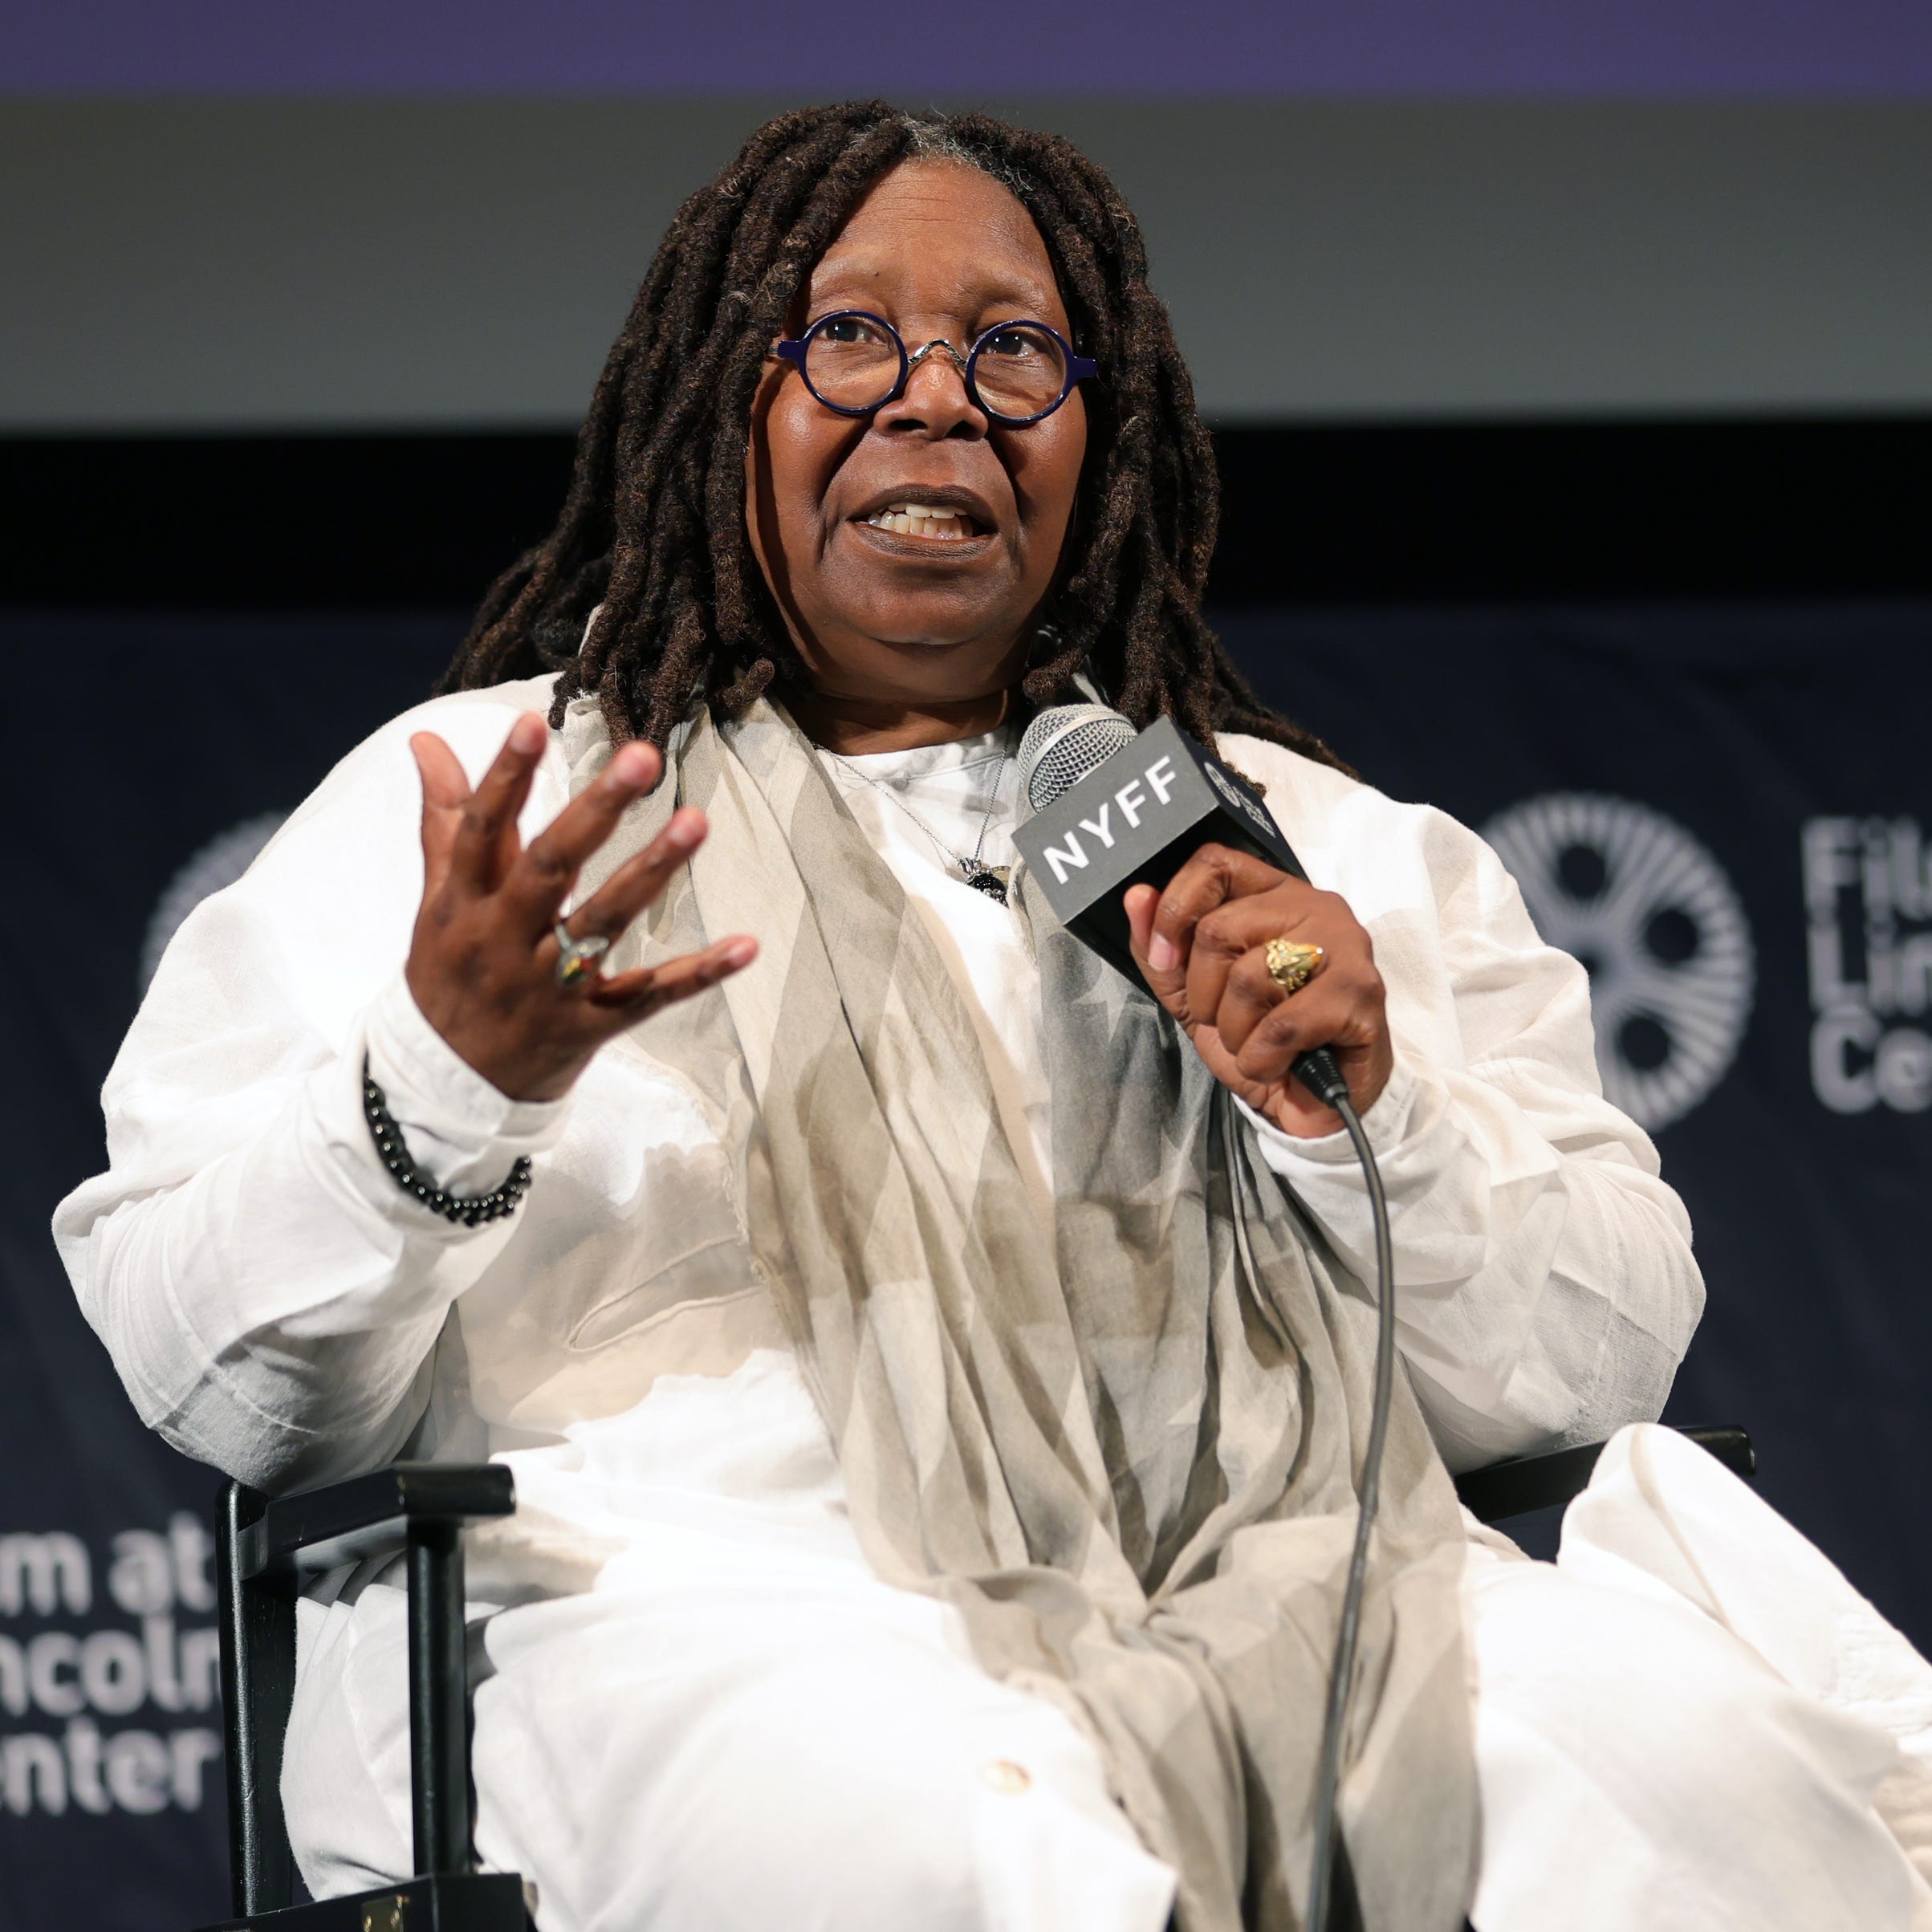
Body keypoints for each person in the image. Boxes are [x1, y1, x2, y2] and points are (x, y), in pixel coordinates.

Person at [55, 104, 1932, 1932]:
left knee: (1680, 1789)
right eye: (850, 334)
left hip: (1306, 1596)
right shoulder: (495, 798)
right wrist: (438, 1086)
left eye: (1011, 350)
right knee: (988, 1861)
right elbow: (214, 1373)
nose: (936, 394)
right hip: (698, 1607)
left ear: (1092, 444)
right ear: (729, 399)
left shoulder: (1315, 855)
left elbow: (1592, 1369)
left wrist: (1361, 1112)